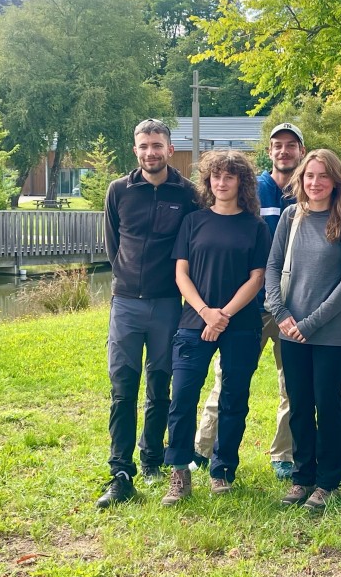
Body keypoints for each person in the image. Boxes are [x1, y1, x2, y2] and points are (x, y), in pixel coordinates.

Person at [96, 118, 199, 509]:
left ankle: (152, 457)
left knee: (160, 385)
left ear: (169, 149)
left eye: (157, 145)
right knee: (123, 387)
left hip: (167, 304)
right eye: (143, 146)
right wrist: (125, 281)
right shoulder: (118, 190)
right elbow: (113, 244)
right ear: (135, 149)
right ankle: (121, 470)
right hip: (125, 302)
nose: (150, 152)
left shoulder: (187, 194)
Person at [194, 123, 304, 480]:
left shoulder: (310, 188)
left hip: (294, 304)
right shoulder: (251, 188)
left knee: (292, 384)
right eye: (277, 145)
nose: (284, 151)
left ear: (300, 151)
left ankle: (283, 454)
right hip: (249, 305)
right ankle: (202, 449)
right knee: (227, 379)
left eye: (291, 145)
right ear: (269, 151)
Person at [161, 150, 270, 505]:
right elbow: (181, 273)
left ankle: (222, 470)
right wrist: (207, 312)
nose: (221, 183)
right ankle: (179, 471)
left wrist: (223, 316)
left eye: (229, 177)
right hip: (195, 322)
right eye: (216, 177)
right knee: (183, 397)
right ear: (208, 181)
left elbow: (257, 278)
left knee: (234, 399)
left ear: (242, 182)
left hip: (242, 325)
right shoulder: (193, 221)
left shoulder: (255, 226)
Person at [266, 150, 341, 510]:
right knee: (300, 405)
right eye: (309, 176)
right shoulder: (291, 216)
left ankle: (328, 481)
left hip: (330, 334)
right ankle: (302, 476)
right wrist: (280, 313)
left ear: (335, 181)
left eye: (323, 176)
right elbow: (272, 266)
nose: (315, 182)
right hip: (290, 329)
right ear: (301, 180)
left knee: (327, 404)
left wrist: (310, 323)